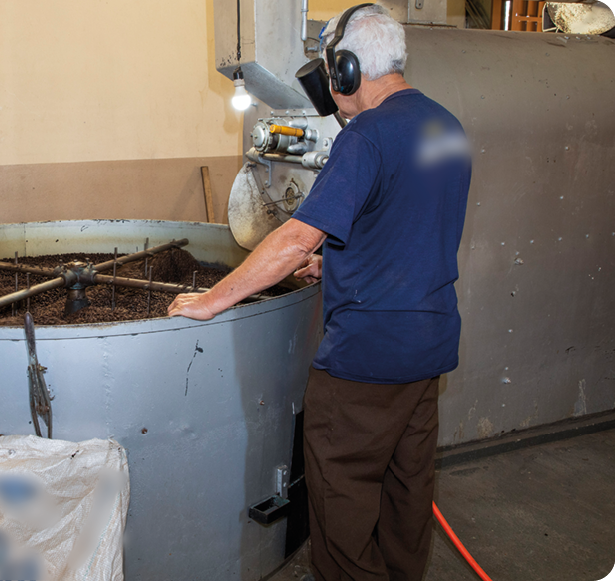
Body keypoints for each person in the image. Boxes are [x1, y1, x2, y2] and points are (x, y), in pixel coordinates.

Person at [167, 5, 472, 580]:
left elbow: (294, 236)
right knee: (407, 494)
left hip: (365, 359)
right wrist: (336, 265)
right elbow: (408, 230)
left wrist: (214, 298)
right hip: (428, 347)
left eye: (332, 70)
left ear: (348, 71)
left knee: (342, 498)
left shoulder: (366, 138)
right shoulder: (445, 127)